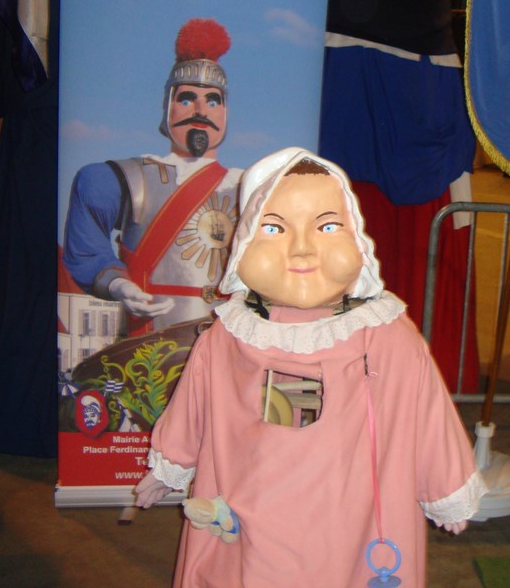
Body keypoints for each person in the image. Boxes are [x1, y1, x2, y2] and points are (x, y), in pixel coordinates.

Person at [133, 147, 484, 587]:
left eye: (327, 226)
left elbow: (427, 414)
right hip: (247, 512)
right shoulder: (231, 335)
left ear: (355, 238)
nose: (301, 249)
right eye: (274, 228)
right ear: (245, 242)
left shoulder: (383, 336)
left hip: (350, 521)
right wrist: (169, 464)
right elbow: (193, 406)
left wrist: (446, 487)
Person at [281, 0, 487, 393]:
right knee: (422, 216)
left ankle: (324, 376)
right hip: (422, 54)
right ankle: (417, 380)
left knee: (324, 213)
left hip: (332, 49)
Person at [62, 18, 242, 336]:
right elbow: (87, 245)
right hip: (147, 343)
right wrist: (118, 284)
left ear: (225, 112)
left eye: (213, 100)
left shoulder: (249, 186)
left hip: (225, 342)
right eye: (186, 98)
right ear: (167, 107)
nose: (201, 110)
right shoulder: (125, 179)